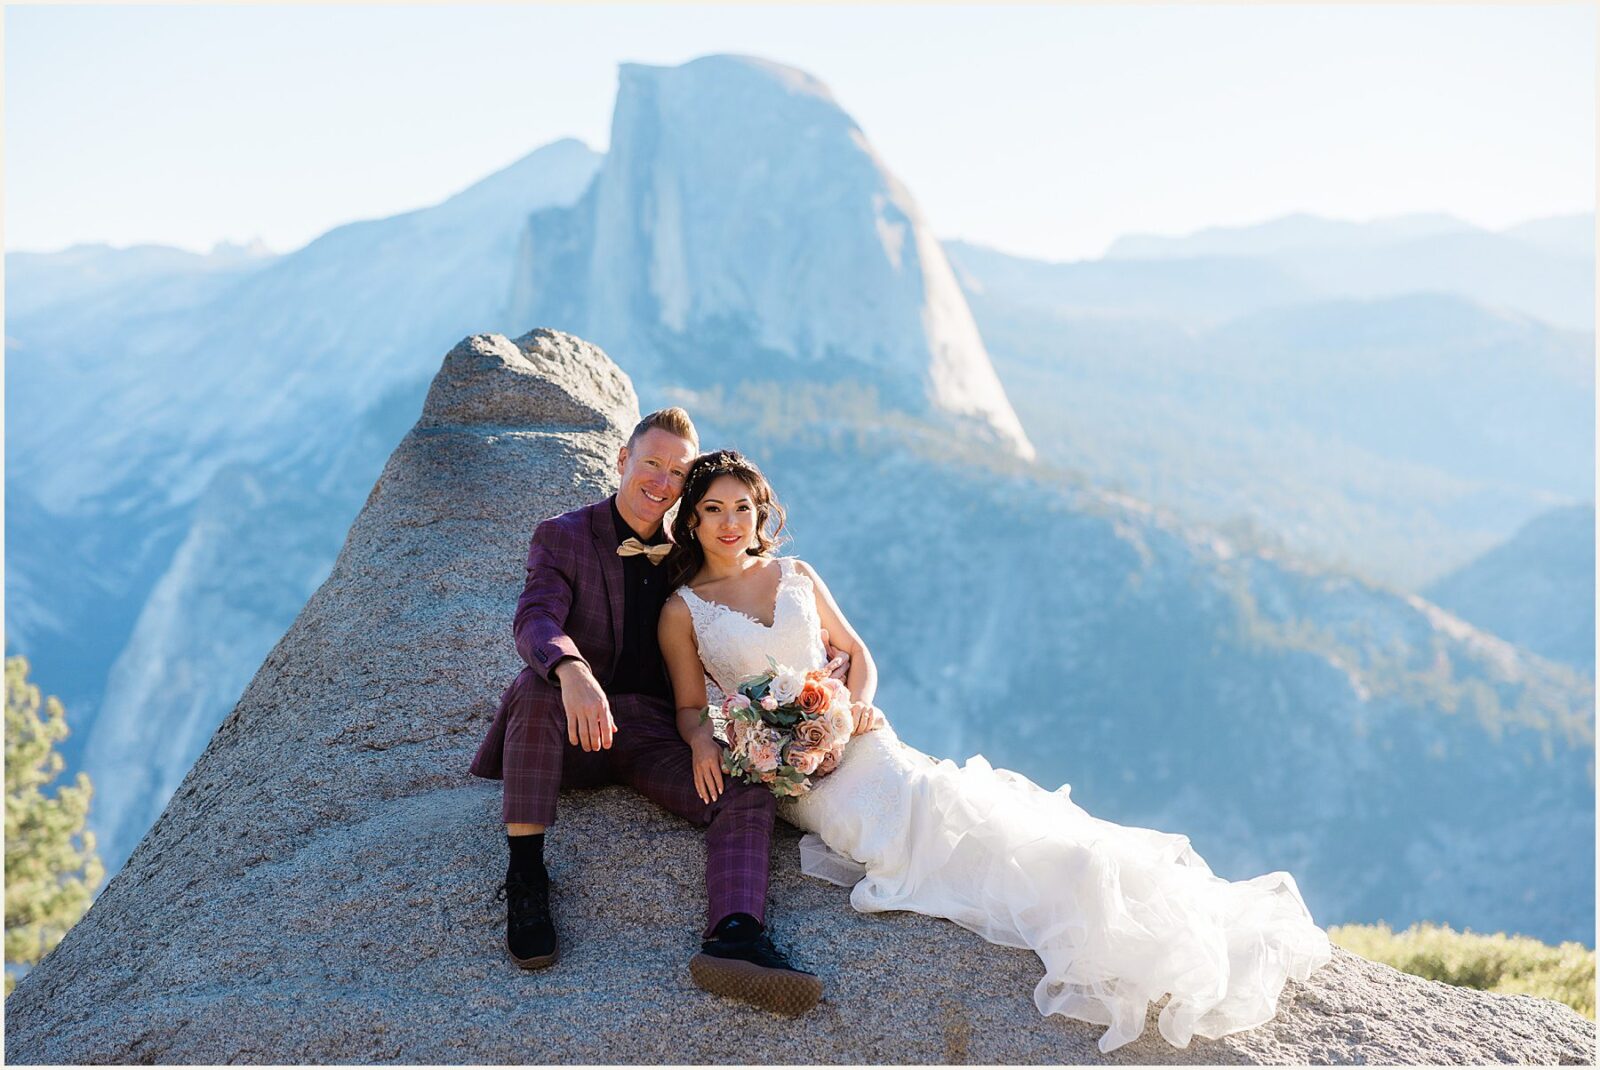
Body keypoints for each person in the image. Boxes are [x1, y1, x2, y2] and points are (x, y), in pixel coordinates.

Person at [656, 449, 1334, 1053]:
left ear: (759, 512)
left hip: (861, 740)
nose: (729, 523)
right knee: (891, 842)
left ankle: (1088, 887)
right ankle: (1068, 887)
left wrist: (851, 706)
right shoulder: (685, 609)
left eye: (742, 507)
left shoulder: (796, 572)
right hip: (792, 774)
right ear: (693, 521)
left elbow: (856, 654)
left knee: (942, 805)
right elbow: (691, 707)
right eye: (713, 509)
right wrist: (707, 745)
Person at [468, 409, 836, 1017]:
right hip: (569, 730)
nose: (662, 481)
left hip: (655, 734)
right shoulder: (563, 535)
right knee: (535, 689)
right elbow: (535, 616)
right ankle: (528, 879)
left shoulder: (692, 554)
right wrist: (571, 669)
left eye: (677, 472)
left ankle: (734, 937)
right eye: (652, 464)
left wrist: (822, 670)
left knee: (746, 786)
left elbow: (751, 604)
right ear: (622, 461)